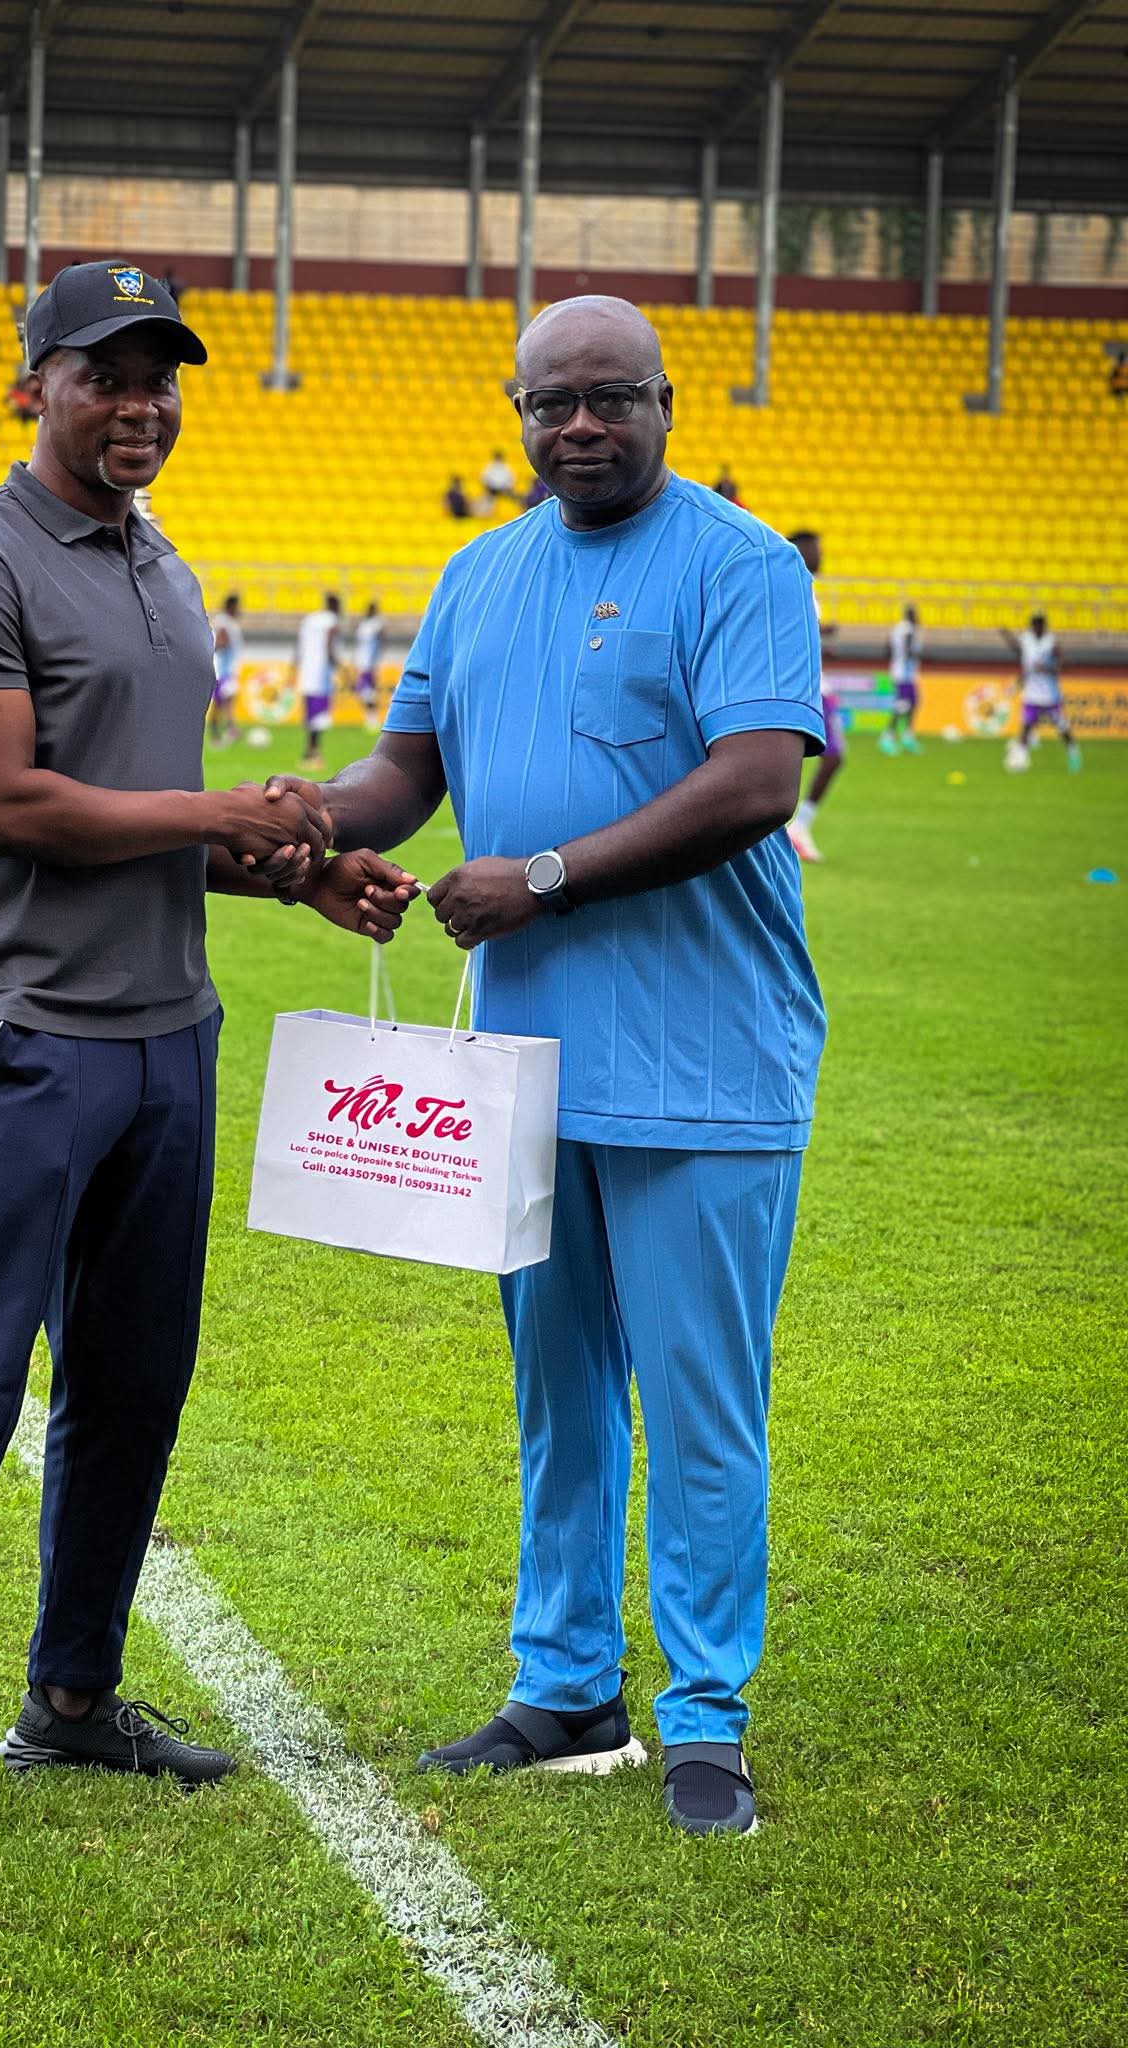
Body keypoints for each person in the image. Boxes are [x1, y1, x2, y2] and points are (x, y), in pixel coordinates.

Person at [0, 262, 415, 1851]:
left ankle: (72, 1700)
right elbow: (10, 804)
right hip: (10, 1035)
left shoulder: (161, 562)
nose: (140, 405)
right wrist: (232, 810)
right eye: (107, 375)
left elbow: (142, 811)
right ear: (37, 387)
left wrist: (294, 876)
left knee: (137, 1382)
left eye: (162, 379)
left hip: (166, 1032)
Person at [267, 295, 825, 1838]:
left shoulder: (740, 564)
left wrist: (548, 877)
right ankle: (568, 1685)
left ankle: (706, 1715)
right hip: (520, 1069)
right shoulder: (479, 573)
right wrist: (310, 817)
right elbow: (409, 768)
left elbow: (755, 783)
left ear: (665, 402)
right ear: (516, 415)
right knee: (558, 1390)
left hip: (705, 1063)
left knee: (702, 1405)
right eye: (549, 403)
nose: (578, 425)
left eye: (609, 398)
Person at [784, 530, 841, 864]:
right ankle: (798, 828)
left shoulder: (805, 587)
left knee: (825, 758)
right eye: (816, 549)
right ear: (801, 550)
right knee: (831, 758)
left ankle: (796, 828)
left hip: (816, 686)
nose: (821, 554)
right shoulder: (794, 584)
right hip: (808, 689)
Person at [1003, 612, 1080, 771]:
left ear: (1044, 626)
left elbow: (1063, 664)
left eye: (1039, 625)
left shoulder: (1050, 642)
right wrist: (1016, 686)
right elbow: (1026, 669)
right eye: (1034, 625)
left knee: (1062, 727)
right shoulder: (1027, 640)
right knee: (1026, 727)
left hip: (1050, 696)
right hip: (1032, 695)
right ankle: (1020, 759)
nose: (1036, 628)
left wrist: (1047, 668)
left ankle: (1073, 753)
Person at [296, 592, 340, 771]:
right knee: (320, 718)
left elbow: (299, 645)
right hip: (321, 674)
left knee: (311, 717)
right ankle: (313, 755)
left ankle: (309, 753)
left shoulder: (309, 619)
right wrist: (335, 662)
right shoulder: (331, 620)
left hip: (307, 672)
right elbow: (329, 640)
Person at [881, 603, 921, 754]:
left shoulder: (897, 628)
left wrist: (895, 659)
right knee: (902, 706)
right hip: (905, 674)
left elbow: (887, 648)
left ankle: (907, 736)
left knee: (913, 703)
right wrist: (917, 655)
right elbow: (908, 649)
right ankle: (888, 736)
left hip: (899, 671)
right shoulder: (909, 629)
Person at [208, 590, 243, 747]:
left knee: (225, 701)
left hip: (228, 669)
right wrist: (223, 644)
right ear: (231, 606)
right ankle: (221, 732)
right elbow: (220, 641)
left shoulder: (228, 621)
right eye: (237, 606)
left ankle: (227, 729)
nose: (239, 609)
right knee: (222, 702)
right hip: (222, 670)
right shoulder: (224, 621)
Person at [352, 599, 384, 733]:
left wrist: (377, 655)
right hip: (361, 662)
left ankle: (372, 718)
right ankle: (370, 717)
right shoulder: (364, 624)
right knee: (364, 692)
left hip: (369, 663)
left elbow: (381, 635)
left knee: (368, 692)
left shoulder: (376, 623)